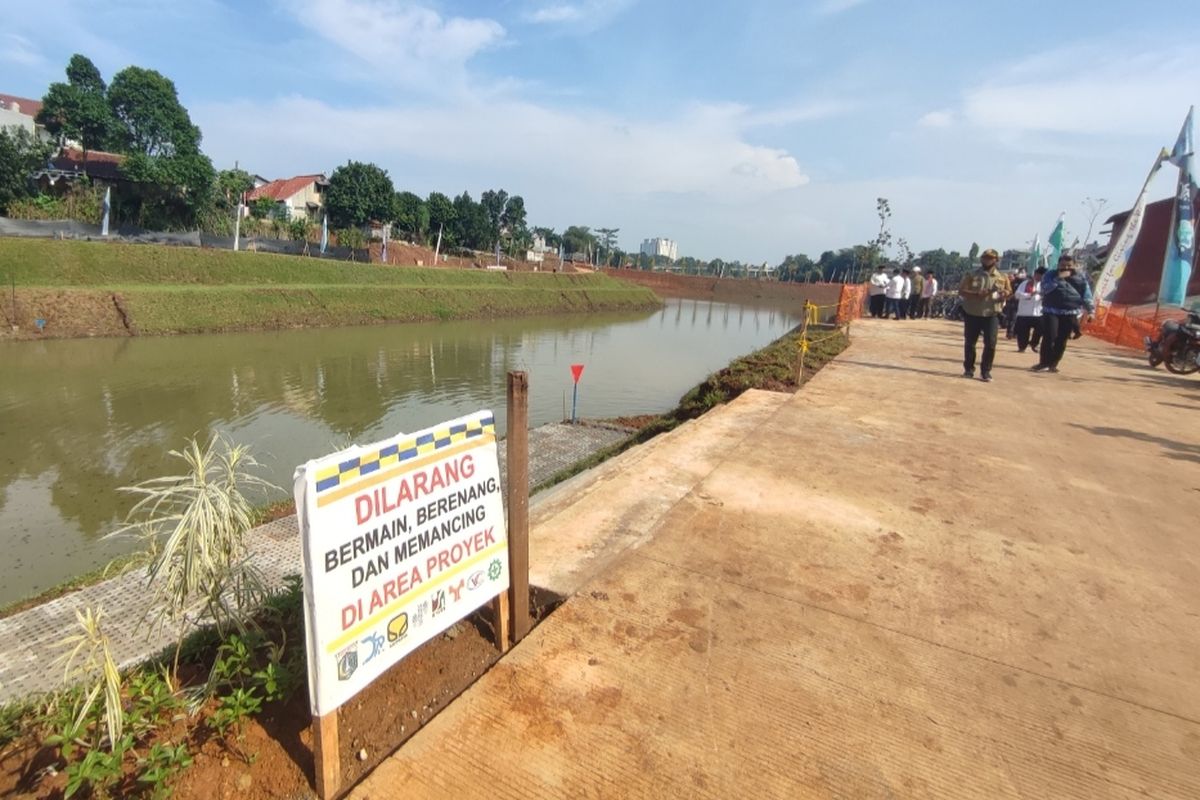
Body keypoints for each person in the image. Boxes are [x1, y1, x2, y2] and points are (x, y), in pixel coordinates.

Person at [1032, 254, 1093, 373]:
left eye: (1069, 266)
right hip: (1051, 310)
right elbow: (1044, 289)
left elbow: (1087, 295)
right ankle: (1044, 363)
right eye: (1063, 265)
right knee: (1050, 336)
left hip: (1070, 311)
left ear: (1074, 265)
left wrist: (1091, 311)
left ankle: (1053, 364)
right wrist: (1059, 279)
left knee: (1062, 339)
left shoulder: (1081, 278)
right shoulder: (1050, 275)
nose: (1066, 268)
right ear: (1058, 265)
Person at [957, 248, 1011, 382]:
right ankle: (969, 369)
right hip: (973, 312)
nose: (987, 260)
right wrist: (976, 294)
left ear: (996, 260)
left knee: (991, 344)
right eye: (985, 257)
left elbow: (1009, 291)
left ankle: (986, 371)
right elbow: (962, 291)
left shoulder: (1002, 277)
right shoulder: (972, 274)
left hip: (991, 313)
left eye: (990, 258)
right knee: (970, 343)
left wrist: (1005, 294)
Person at [1013, 267, 1045, 353]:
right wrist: (1030, 294)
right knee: (1023, 332)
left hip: (1039, 313)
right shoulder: (1025, 283)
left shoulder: (1045, 285)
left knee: (1041, 329)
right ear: (1035, 275)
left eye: (1042, 276)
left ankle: (1034, 344)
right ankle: (1022, 347)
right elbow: (1017, 295)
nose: (1039, 277)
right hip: (1024, 312)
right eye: (1038, 275)